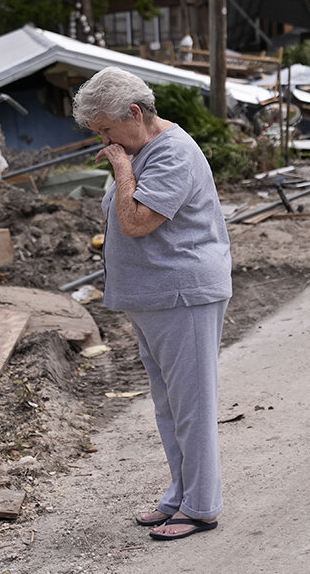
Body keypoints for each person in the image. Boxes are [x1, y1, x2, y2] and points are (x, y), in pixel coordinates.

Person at [72, 67, 232, 541]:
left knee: (192, 404)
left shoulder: (172, 153)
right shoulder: (141, 149)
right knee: (169, 404)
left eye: (106, 128)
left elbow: (138, 221)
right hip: (154, 297)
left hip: (182, 294)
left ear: (135, 114)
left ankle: (202, 506)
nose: (103, 140)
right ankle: (180, 494)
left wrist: (121, 168)